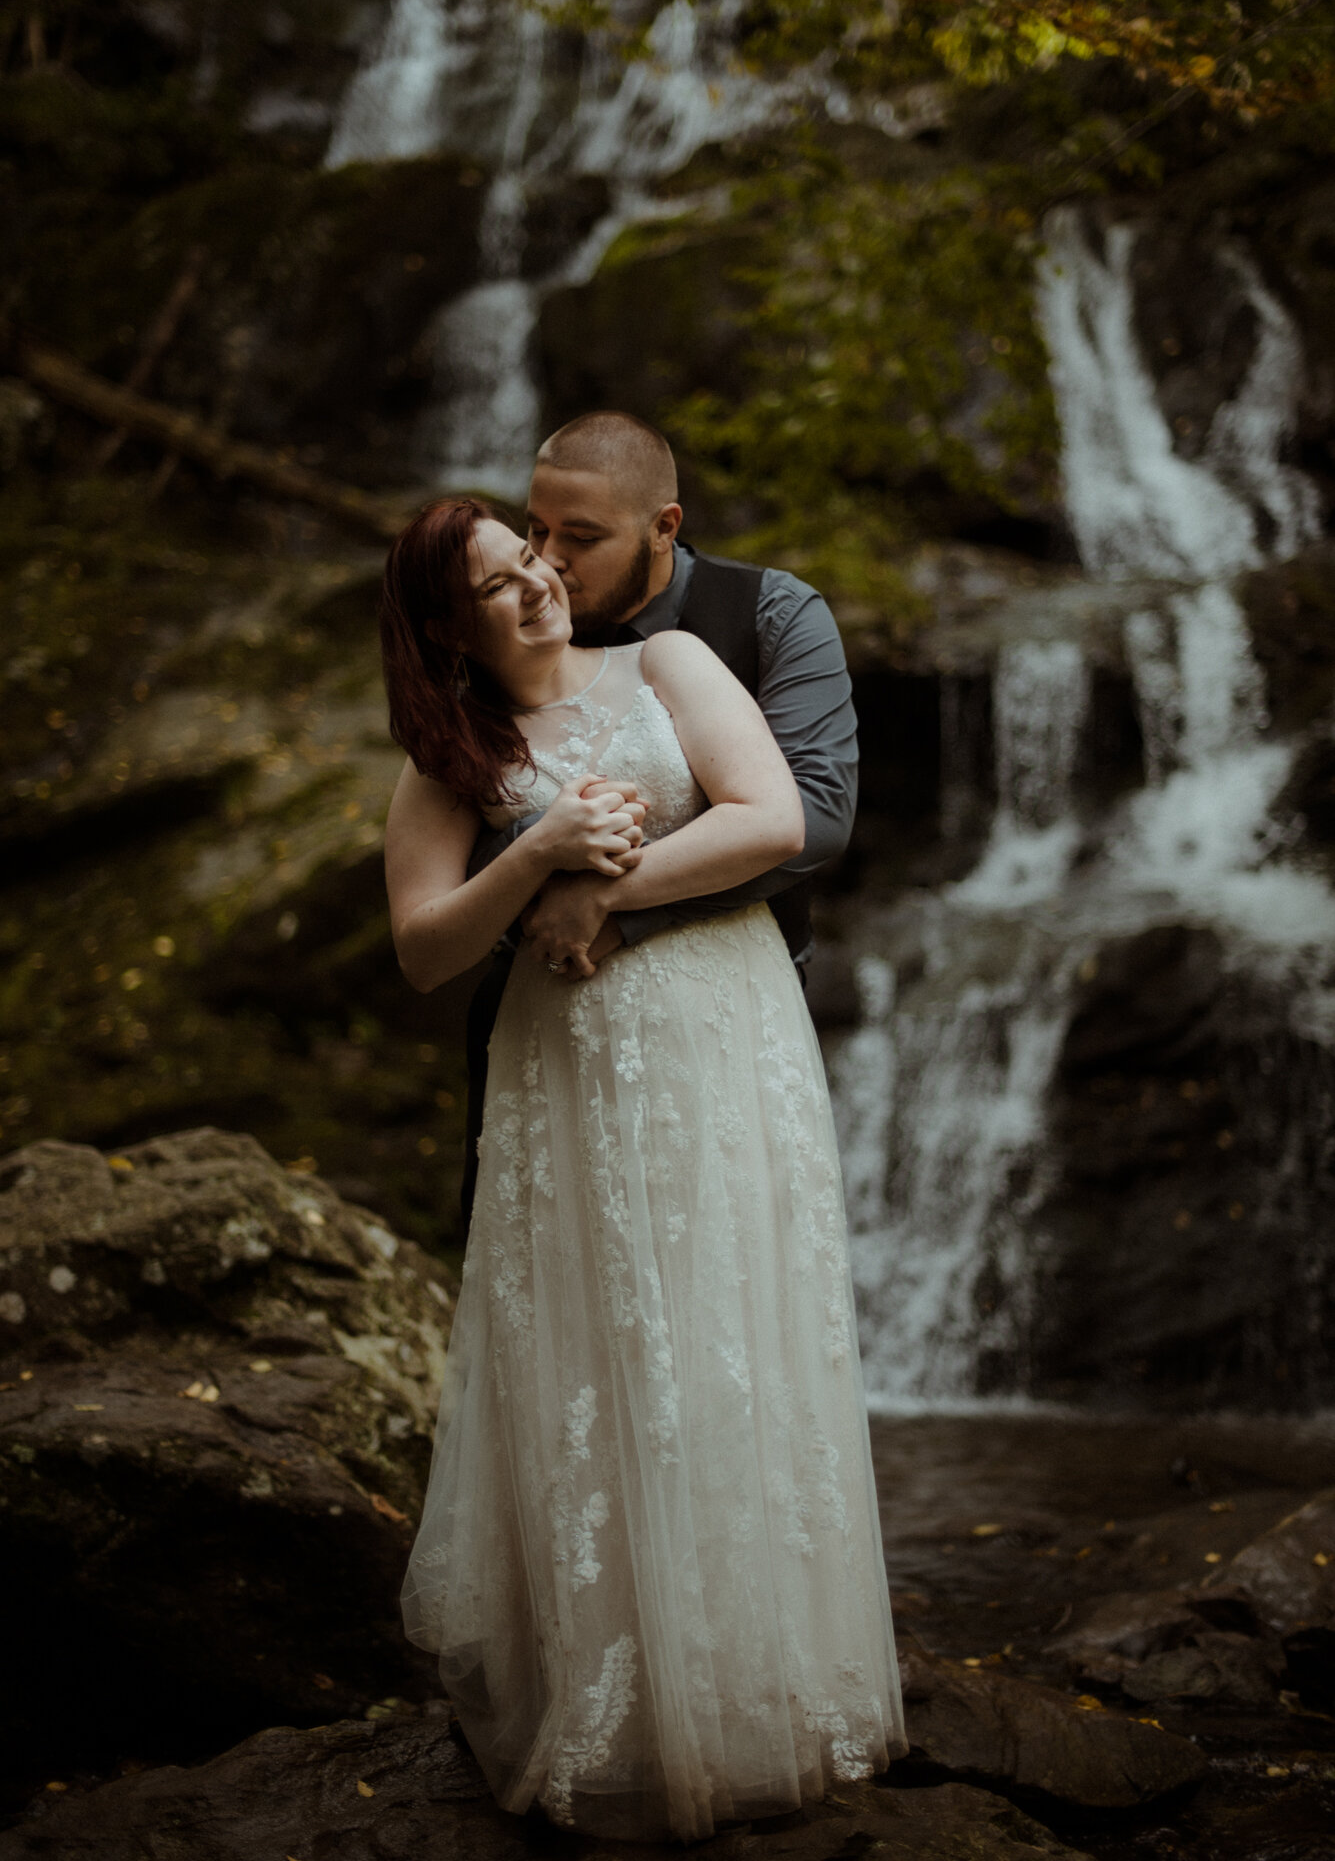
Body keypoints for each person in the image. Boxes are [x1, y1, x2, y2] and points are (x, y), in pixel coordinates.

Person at [382, 493, 905, 1842]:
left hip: (719, 1036)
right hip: (559, 1070)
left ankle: (762, 1692)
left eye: (535, 559)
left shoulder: (666, 662)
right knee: (596, 1354)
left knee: (732, 1336)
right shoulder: (446, 757)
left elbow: (771, 818)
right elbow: (426, 951)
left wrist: (599, 890)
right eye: (499, 584)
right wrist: (538, 858)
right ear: (449, 625)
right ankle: (608, 1701)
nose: (538, 586)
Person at [457, 410, 859, 1232]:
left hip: (724, 1022)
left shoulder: (771, 614)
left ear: (663, 526)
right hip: (541, 1024)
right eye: (535, 529)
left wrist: (612, 902)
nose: (550, 561)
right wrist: (542, 864)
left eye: (582, 536)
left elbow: (815, 815)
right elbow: (462, 834)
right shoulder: (508, 631)